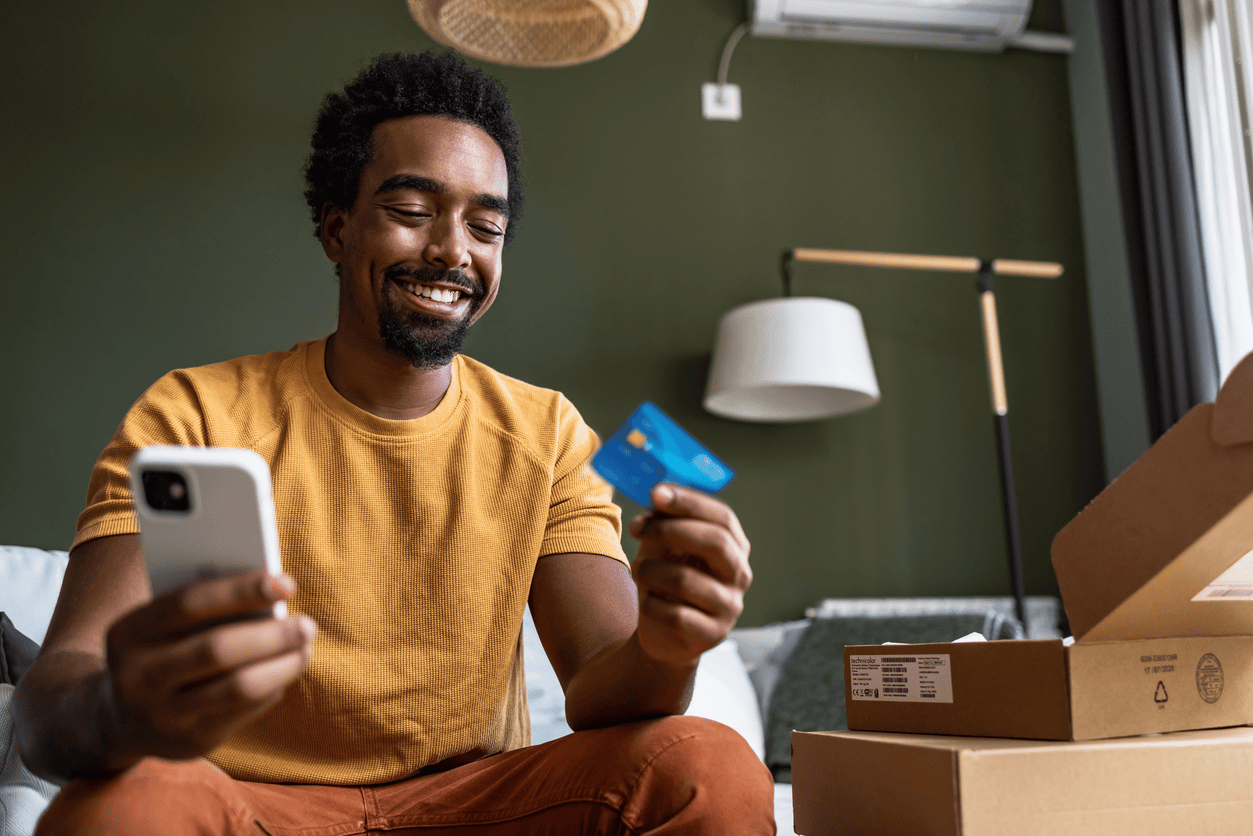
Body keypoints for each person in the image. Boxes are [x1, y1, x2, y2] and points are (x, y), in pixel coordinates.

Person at [13, 51, 775, 834]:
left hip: (472, 807)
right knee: (112, 809)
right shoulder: (194, 411)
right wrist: (123, 702)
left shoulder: (545, 431)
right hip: (247, 810)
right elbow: (47, 711)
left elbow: (603, 688)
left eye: (486, 226)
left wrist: (669, 645)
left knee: (706, 766)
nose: (453, 251)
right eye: (412, 211)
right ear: (338, 229)